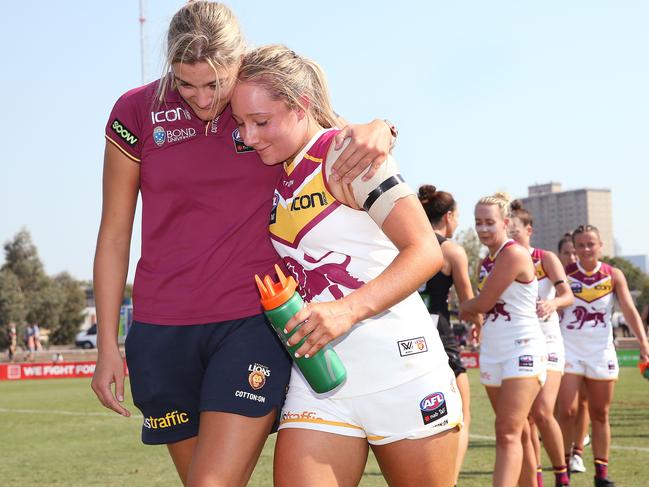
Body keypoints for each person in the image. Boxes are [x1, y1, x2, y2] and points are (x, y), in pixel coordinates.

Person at [90, 3, 395, 486]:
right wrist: (107, 343)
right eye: (186, 83)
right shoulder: (135, 111)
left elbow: (330, 134)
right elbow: (113, 232)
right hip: (162, 330)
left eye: (215, 84)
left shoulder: (262, 100)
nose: (202, 98)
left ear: (239, 60)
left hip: (253, 320)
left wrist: (381, 126)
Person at [232, 44, 462, 487]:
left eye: (261, 122)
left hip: (402, 372)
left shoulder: (347, 153)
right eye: (241, 123)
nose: (249, 136)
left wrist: (346, 310)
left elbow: (425, 251)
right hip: (322, 382)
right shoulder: (276, 169)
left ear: (300, 105)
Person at [459, 192, 546, 487]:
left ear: (506, 222)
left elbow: (480, 303)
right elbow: (485, 308)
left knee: (506, 432)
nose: (483, 228)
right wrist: (477, 320)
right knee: (519, 432)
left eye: (490, 222)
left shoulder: (513, 254)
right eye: (478, 222)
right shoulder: (486, 261)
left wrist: (466, 308)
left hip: (521, 349)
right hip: (493, 351)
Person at [557, 224, 649, 487]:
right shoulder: (564, 273)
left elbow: (629, 310)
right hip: (569, 348)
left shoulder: (613, 274)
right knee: (567, 410)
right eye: (581, 245)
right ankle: (562, 472)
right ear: (574, 248)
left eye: (591, 244)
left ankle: (601, 473)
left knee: (600, 413)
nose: (586, 249)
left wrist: (643, 340)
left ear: (600, 246)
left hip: (601, 351)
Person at [418, 185, 481, 485]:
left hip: (405, 335)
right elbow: (468, 306)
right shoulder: (450, 250)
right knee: (461, 416)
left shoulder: (404, 241)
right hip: (439, 336)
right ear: (449, 216)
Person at [509, 201, 573, 487]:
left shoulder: (544, 257)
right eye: (506, 230)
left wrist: (553, 303)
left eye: (515, 230)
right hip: (518, 343)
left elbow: (567, 294)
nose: (510, 236)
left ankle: (562, 474)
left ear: (529, 230)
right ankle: (535, 478)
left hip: (547, 341)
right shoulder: (501, 260)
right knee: (526, 420)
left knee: (543, 412)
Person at [557, 233, 590, 474]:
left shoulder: (594, 277)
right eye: (567, 252)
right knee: (565, 407)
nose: (572, 256)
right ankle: (564, 448)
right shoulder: (556, 277)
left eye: (574, 252)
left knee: (584, 403)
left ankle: (577, 452)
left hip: (589, 348)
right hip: (560, 346)